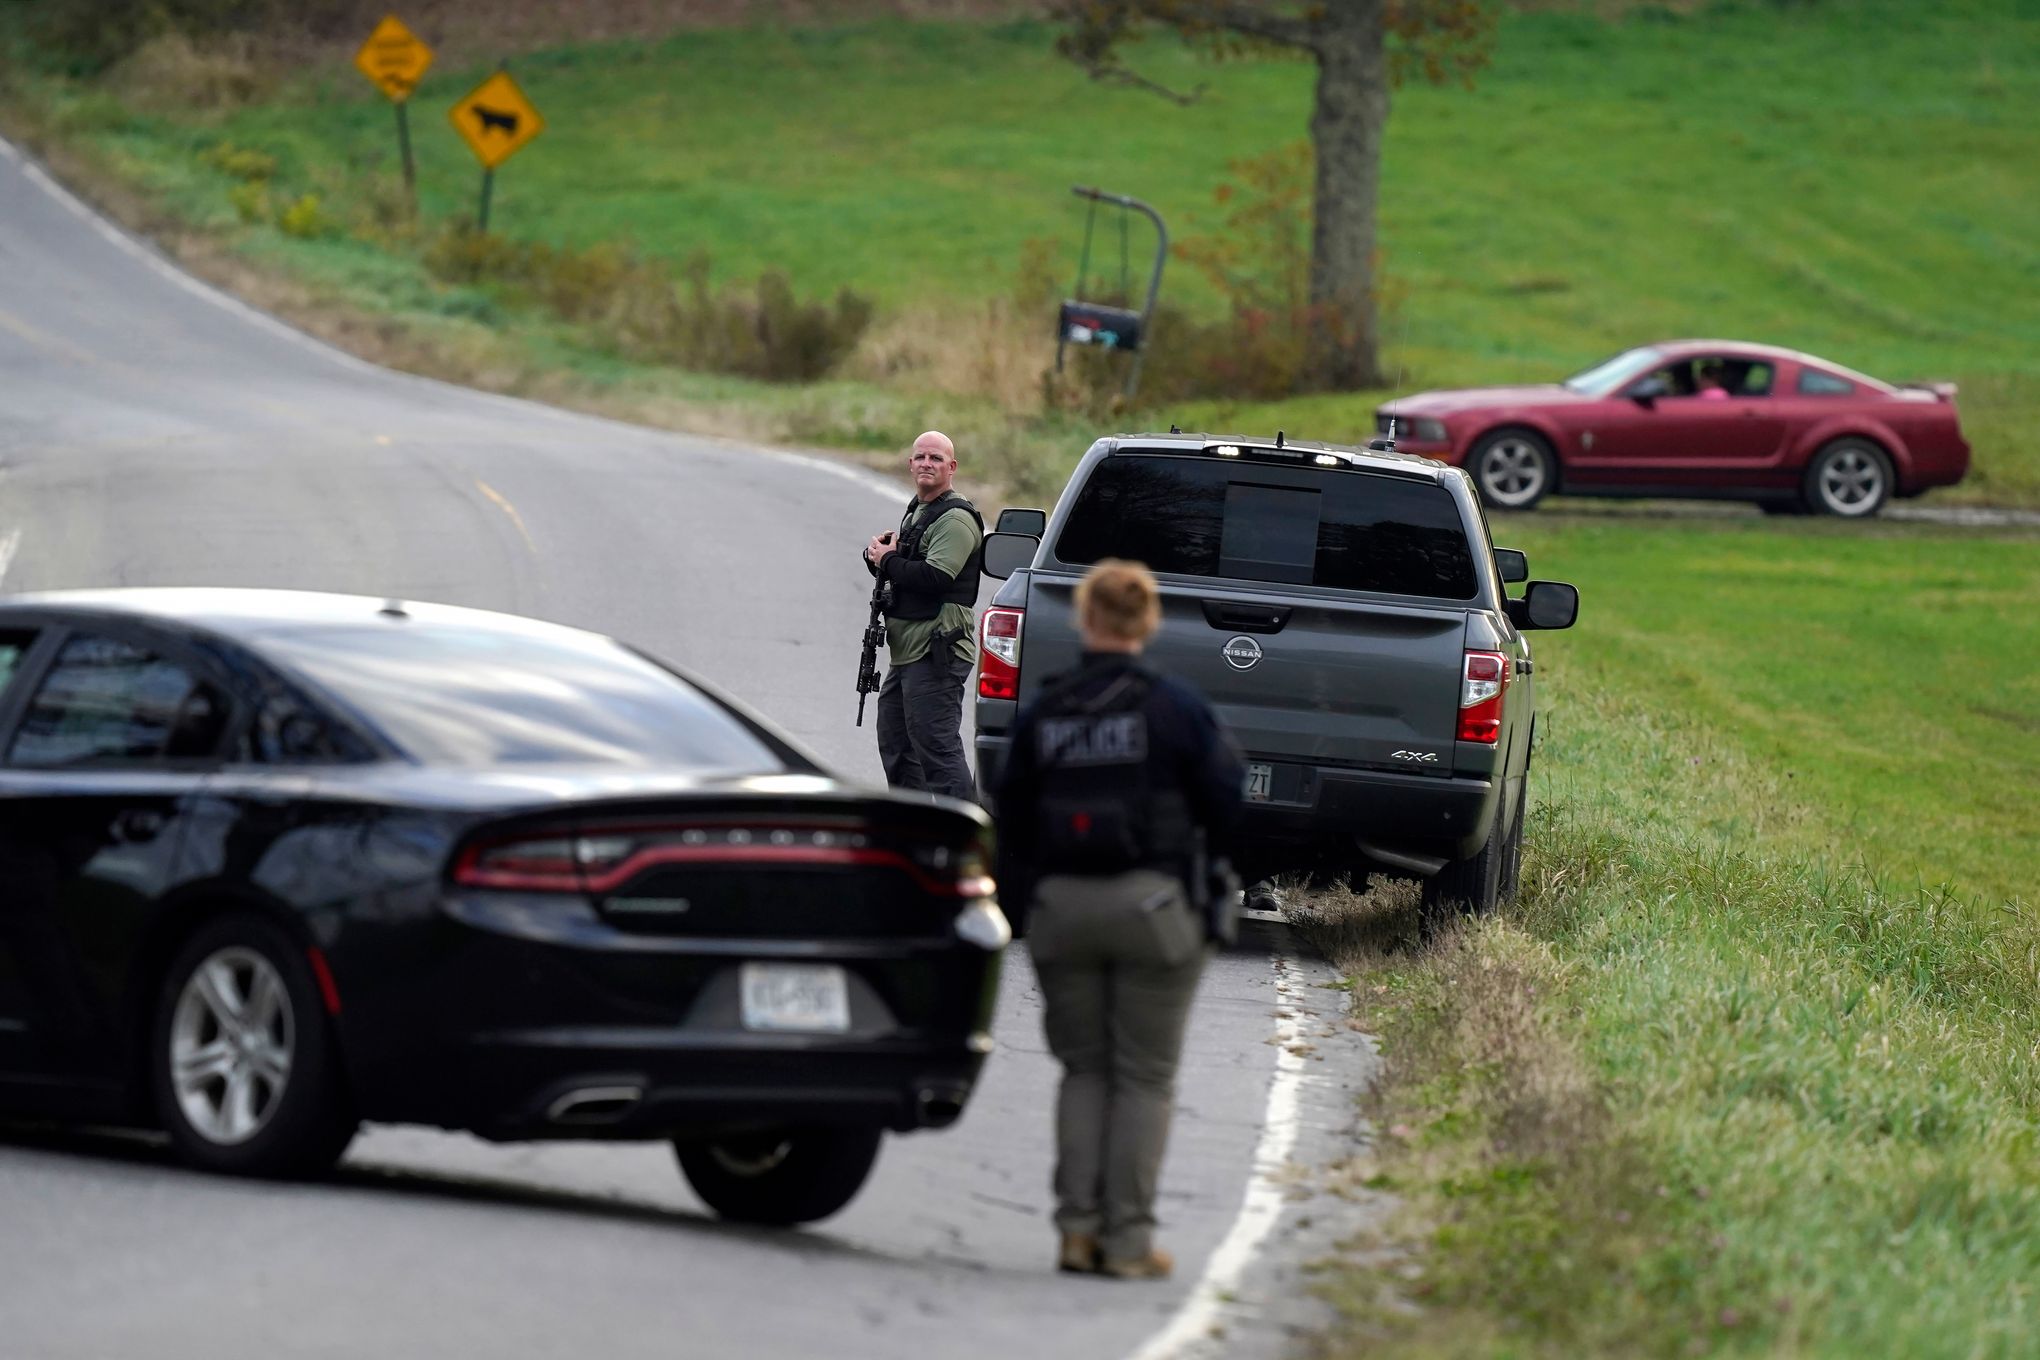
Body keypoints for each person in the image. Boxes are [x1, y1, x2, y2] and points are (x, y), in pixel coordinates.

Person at [995, 559, 1245, 1280]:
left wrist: (1024, 907)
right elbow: (1227, 801)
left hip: (1062, 910)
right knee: (1143, 1077)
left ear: (1085, 617)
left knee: (1083, 1071)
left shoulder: (1046, 709)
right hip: (1154, 909)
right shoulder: (1176, 708)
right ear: (1147, 620)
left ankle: (1076, 1232)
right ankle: (1128, 1243)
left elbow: (1010, 816)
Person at [864, 430, 983, 801]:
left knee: (937, 749)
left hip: (937, 651)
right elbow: (907, 574)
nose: (926, 464)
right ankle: (913, 831)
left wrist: (890, 560)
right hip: (910, 650)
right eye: (920, 457)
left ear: (952, 467)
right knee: (898, 741)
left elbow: (935, 577)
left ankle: (965, 840)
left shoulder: (956, 519)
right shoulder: (918, 510)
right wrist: (879, 559)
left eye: (935, 458)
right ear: (910, 464)